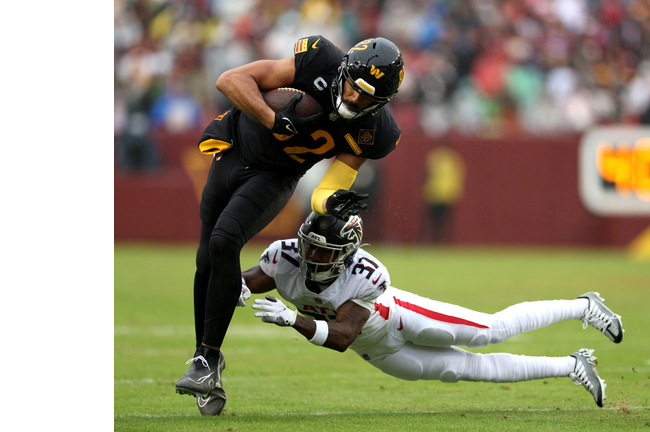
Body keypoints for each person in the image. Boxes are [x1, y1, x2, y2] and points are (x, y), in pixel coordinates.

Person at [175, 35, 406, 416]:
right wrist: (273, 118)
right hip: (234, 146)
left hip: (277, 175)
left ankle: (206, 356)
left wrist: (331, 201)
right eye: (352, 86)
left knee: (224, 241)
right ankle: (208, 365)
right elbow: (230, 80)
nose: (352, 99)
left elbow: (328, 187)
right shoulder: (318, 59)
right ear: (344, 70)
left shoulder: (375, 131)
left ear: (381, 103)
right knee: (206, 259)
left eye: (366, 98)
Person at [226, 213, 625, 415]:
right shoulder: (284, 257)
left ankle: (583, 306)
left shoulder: (366, 274)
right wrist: (232, 287)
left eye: (323, 252)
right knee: (469, 371)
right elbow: (251, 278)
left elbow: (343, 335)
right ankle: (571, 366)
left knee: (488, 331)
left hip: (397, 318)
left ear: (346, 254)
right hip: (379, 352)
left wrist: (292, 318)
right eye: (309, 247)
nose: (312, 257)